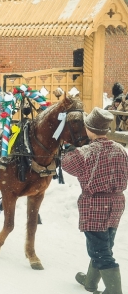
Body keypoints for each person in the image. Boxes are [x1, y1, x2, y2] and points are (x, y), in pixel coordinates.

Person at [62, 107, 127, 294]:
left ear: (89, 129)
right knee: (104, 245)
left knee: (99, 250)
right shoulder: (120, 150)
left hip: (95, 205)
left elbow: (67, 165)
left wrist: (69, 151)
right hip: (116, 204)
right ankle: (90, 282)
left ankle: (114, 291)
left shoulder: (86, 153)